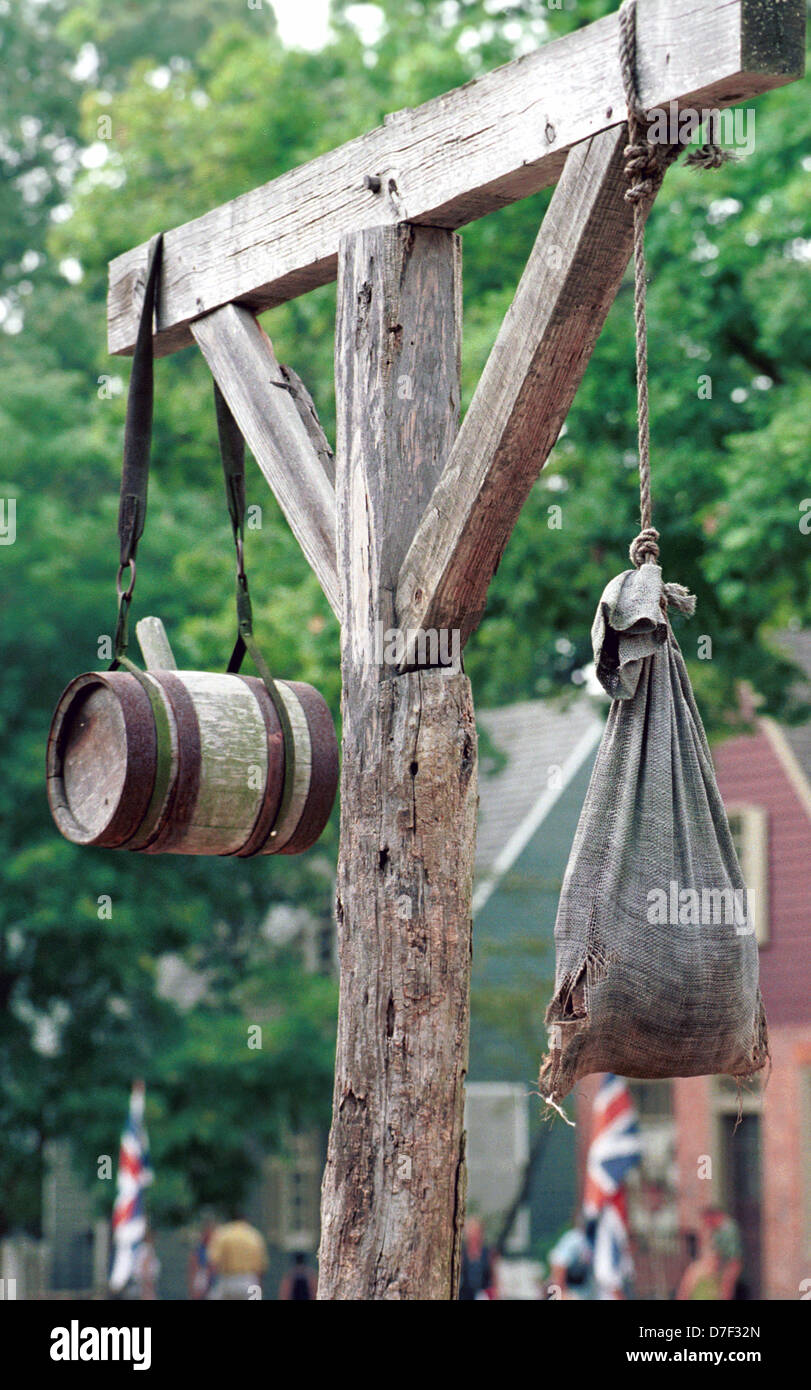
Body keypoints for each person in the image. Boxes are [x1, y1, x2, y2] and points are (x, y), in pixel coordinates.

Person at [676, 1206, 743, 1301]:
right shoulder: (719, 1230)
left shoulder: (727, 1229)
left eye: (706, 1220)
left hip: (730, 1264)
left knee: (725, 1291)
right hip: (723, 1264)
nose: (706, 1224)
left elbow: (729, 1254)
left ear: (712, 1216)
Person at [208, 1211, 269, 1300]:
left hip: (228, 1280)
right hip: (249, 1280)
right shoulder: (254, 1235)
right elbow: (261, 1268)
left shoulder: (223, 1234)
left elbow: (213, 1261)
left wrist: (210, 1284)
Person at [546, 1225, 595, 1300]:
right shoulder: (576, 1238)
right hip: (574, 1293)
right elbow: (559, 1266)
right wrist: (561, 1295)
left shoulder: (597, 1237)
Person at [459, 1216, 495, 1300]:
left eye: (475, 1231)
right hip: (465, 1295)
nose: (473, 1236)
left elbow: (494, 1279)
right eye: (470, 1232)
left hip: (483, 1295)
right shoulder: (462, 1253)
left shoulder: (488, 1253)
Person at [187, 1217, 215, 1301]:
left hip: (214, 1280)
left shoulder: (216, 1248)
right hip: (202, 1278)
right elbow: (192, 1267)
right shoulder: (198, 1249)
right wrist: (192, 1287)